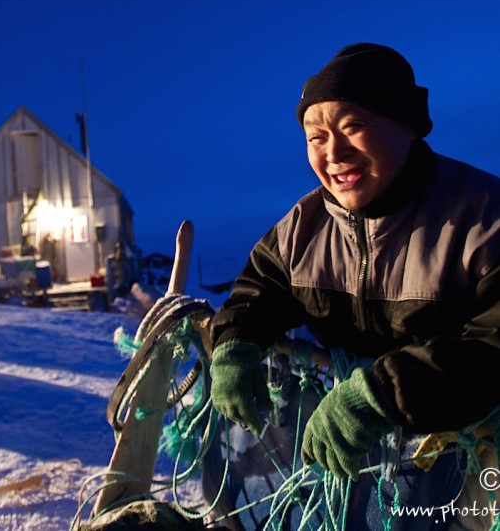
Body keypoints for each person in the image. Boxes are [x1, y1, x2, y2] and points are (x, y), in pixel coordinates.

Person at [208, 43, 500, 526]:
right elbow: (259, 287)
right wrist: (235, 343)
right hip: (359, 458)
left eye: (353, 127)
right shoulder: (303, 226)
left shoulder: (482, 218)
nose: (333, 153)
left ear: (408, 125)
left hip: (466, 459)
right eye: (315, 136)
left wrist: (385, 391)